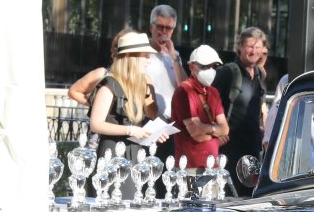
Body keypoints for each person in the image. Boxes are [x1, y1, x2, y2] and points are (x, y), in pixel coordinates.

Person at [88, 31, 161, 160]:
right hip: (112, 153)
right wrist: (130, 130)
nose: (148, 60)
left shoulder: (139, 85)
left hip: (135, 152)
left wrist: (155, 132)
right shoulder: (109, 85)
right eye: (145, 56)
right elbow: (96, 124)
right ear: (129, 57)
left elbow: (140, 122)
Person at [171, 44, 229, 170]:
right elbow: (196, 133)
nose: (210, 70)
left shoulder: (213, 92)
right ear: (192, 66)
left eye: (214, 66)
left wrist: (207, 129)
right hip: (189, 168)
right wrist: (216, 135)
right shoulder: (183, 92)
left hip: (213, 166)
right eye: (205, 66)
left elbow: (225, 129)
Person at [218, 26, 269, 165]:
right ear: (240, 46)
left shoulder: (259, 75)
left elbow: (260, 109)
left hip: (253, 149)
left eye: (258, 47)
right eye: (250, 47)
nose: (254, 51)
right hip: (230, 150)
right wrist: (215, 133)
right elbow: (208, 103)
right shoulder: (228, 72)